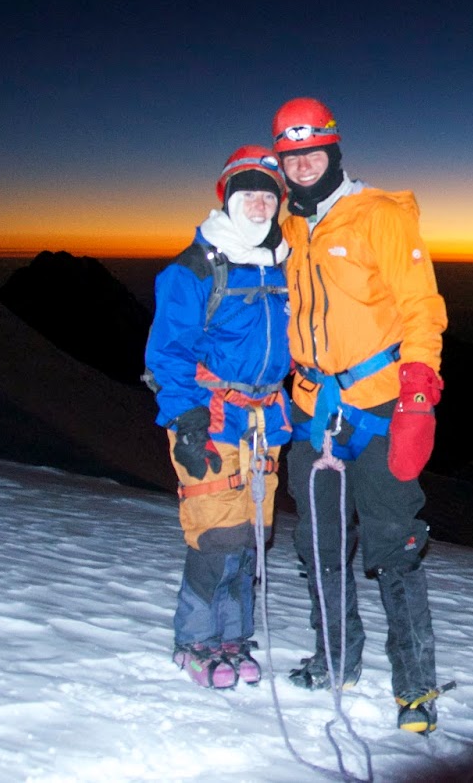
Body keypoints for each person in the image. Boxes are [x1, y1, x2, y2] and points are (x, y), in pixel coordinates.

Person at [272, 96, 449, 734]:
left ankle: (415, 689)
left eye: (312, 151)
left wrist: (418, 397)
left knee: (392, 548)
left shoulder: (377, 215)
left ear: (333, 150)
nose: (303, 164)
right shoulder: (289, 227)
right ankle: (336, 659)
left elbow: (421, 308)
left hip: (376, 409)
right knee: (318, 547)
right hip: (312, 409)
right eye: (291, 157)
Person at [143, 147, 294, 689]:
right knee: (215, 536)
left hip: (267, 421)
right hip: (211, 415)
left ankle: (233, 638)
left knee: (249, 535)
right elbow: (166, 354)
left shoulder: (282, 262)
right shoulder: (194, 269)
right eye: (246, 192)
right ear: (227, 199)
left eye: (267, 194)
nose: (258, 203)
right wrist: (184, 422)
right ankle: (195, 642)